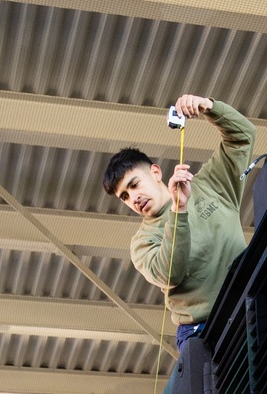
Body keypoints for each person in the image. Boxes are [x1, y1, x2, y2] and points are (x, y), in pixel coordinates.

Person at [103, 93, 255, 349]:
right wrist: (178, 209)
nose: (133, 198)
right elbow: (170, 273)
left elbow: (243, 137)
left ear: (155, 172)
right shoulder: (142, 243)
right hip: (204, 332)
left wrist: (209, 107)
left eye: (134, 184)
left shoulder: (211, 184)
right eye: (125, 196)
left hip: (250, 304)